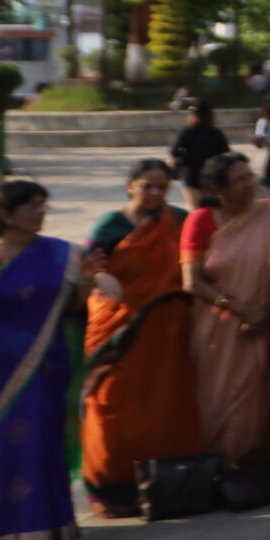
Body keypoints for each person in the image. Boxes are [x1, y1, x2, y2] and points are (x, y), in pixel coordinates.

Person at [0, 178, 93, 540]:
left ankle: (52, 527)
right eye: (31, 206)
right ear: (4, 214)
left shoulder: (61, 254)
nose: (40, 212)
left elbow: (73, 310)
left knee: (43, 445)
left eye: (43, 204)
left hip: (44, 367)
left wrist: (87, 284)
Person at [79, 158, 203, 518]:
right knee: (112, 406)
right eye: (146, 186)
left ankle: (169, 482)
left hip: (167, 329)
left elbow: (195, 259)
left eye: (161, 186)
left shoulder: (177, 219)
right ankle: (113, 487)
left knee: (166, 406)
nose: (153, 193)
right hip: (118, 328)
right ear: (129, 186)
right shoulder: (111, 224)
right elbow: (89, 266)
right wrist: (101, 280)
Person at [180, 150, 270, 468]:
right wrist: (242, 309)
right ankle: (222, 467)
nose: (249, 184)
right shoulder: (200, 221)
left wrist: (266, 308)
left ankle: (262, 465)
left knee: (263, 395)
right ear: (218, 190)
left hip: (269, 320)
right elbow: (192, 282)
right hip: (219, 329)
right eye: (239, 180)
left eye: (250, 176)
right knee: (221, 399)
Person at [168, 100, 230, 208]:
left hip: (191, 174)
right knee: (211, 209)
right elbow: (225, 153)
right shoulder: (216, 133)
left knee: (194, 208)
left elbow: (174, 151)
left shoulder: (187, 131)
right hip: (211, 175)